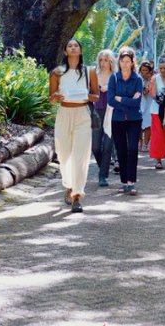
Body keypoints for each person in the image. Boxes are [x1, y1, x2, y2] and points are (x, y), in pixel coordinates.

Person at [48, 38, 98, 212]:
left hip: (82, 114)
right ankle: (68, 185)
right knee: (64, 154)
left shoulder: (89, 71)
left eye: (76, 45)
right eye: (69, 46)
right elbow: (51, 97)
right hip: (64, 114)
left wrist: (86, 96)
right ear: (65, 51)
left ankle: (77, 195)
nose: (73, 47)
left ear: (81, 50)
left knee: (81, 155)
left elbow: (96, 95)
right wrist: (56, 97)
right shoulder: (57, 72)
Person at [107, 46, 144, 195]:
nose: (125, 64)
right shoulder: (114, 78)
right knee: (121, 150)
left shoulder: (138, 79)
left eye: (128, 61)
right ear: (119, 62)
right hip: (117, 119)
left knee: (132, 149)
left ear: (132, 62)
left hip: (135, 119)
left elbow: (138, 102)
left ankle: (131, 182)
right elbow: (110, 100)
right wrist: (128, 100)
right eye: (123, 61)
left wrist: (121, 99)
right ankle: (123, 182)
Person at [92, 49, 116, 187]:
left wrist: (110, 88)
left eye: (106, 60)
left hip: (111, 112)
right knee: (95, 147)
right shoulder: (94, 75)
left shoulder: (115, 76)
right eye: (101, 60)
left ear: (111, 61)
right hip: (96, 112)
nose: (103, 63)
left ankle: (102, 176)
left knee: (107, 145)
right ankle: (103, 168)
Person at [138, 61, 156, 152]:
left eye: (146, 70)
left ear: (149, 71)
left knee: (148, 124)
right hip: (140, 103)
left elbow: (146, 92)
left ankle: (145, 144)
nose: (144, 72)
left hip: (149, 103)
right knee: (139, 125)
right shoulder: (138, 79)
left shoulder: (153, 79)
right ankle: (140, 142)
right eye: (142, 70)